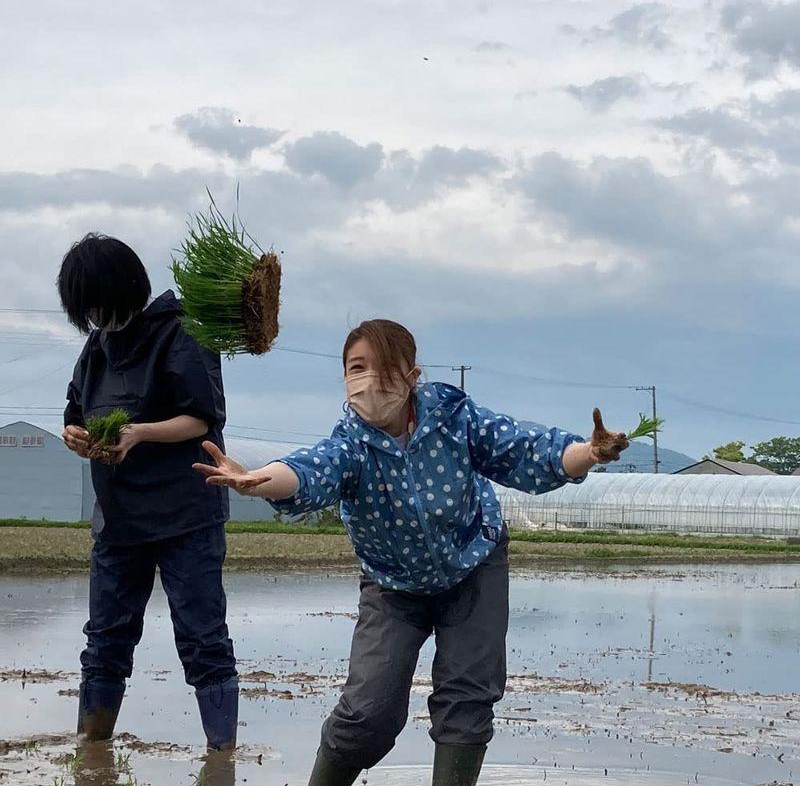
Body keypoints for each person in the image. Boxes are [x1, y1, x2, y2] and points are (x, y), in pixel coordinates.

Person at [193, 319, 628, 785]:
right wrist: (259, 481)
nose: (368, 380)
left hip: (472, 567)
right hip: (393, 586)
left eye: (382, 368)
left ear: (411, 377)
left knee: (468, 696)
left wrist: (588, 453)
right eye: (356, 367)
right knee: (369, 713)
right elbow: (308, 471)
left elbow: (522, 452)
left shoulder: (455, 419)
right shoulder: (351, 446)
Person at [59, 233, 239, 751]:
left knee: (203, 638)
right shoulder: (96, 347)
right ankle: (91, 752)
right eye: (87, 310)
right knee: (105, 641)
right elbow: (76, 413)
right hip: (119, 518)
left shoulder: (182, 332)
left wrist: (139, 432)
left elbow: (201, 419)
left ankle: (221, 758)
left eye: (100, 305)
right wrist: (76, 436)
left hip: (186, 512)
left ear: (128, 288)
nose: (97, 318)